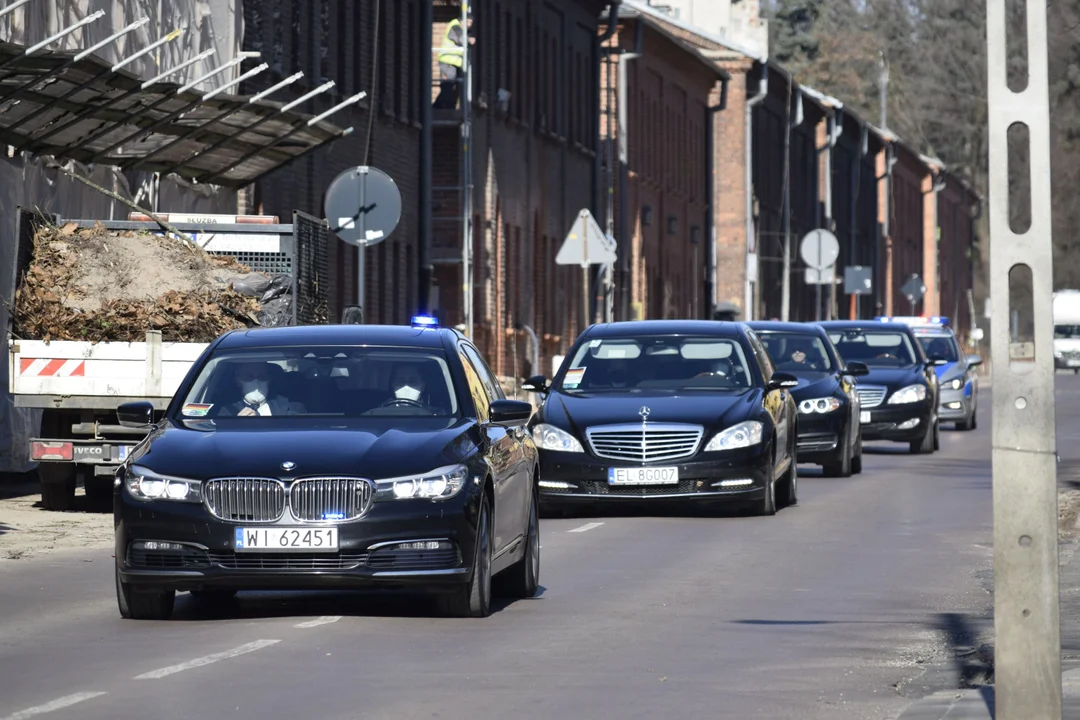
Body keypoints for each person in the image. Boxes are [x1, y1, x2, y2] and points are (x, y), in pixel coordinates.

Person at [227, 362, 306, 416]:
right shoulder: (224, 410)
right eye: (249, 376)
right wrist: (238, 424)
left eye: (262, 377)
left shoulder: (294, 406)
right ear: (238, 380)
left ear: (269, 380)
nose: (256, 381)